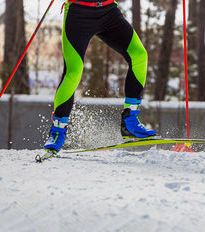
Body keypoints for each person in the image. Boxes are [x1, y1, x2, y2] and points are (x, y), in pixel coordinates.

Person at [44, 0, 156, 153]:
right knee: (74, 71)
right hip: (78, 14)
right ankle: (57, 131)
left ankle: (130, 120)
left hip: (109, 12)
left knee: (139, 55)